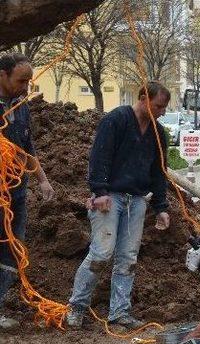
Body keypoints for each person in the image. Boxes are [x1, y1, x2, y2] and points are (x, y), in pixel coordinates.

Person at [66, 81, 171, 330]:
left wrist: (161, 206)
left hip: (136, 199)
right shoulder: (116, 120)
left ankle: (119, 312)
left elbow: (159, 172)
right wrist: (99, 191)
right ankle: (76, 307)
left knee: (128, 257)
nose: (162, 112)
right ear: (144, 98)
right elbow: (99, 156)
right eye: (158, 106)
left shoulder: (158, 132)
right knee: (102, 253)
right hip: (109, 197)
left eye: (164, 107)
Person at [0, 53, 55, 329]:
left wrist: (42, 180)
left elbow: (26, 148)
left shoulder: (21, 106)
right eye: (21, 80)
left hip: (16, 193)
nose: (26, 86)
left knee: (13, 248)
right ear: (2, 75)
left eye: (29, 81)